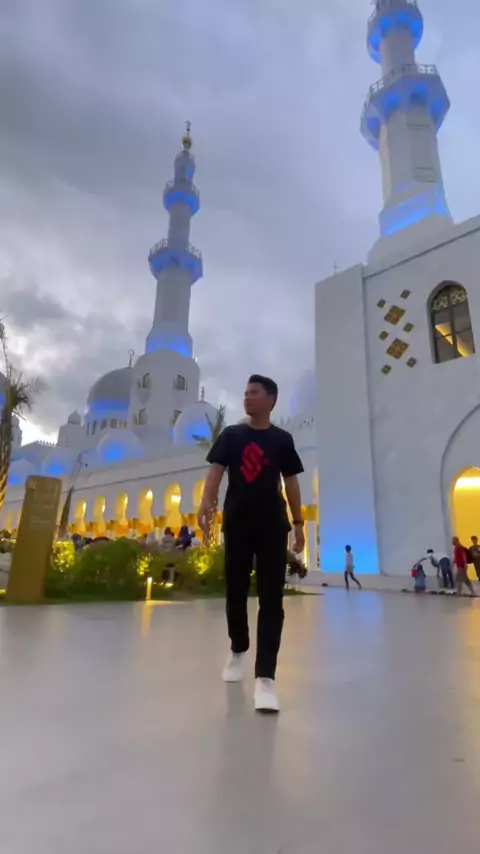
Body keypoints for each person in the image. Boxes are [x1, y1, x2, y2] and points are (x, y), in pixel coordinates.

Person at [197, 374, 305, 713]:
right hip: (238, 524)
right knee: (236, 592)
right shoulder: (231, 435)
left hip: (273, 526)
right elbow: (215, 472)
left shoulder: (282, 440)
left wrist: (299, 524)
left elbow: (291, 483)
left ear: (270, 399)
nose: (247, 398)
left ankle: (266, 678)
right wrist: (206, 504)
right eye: (245, 393)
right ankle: (238, 647)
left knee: (272, 598)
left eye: (254, 393)